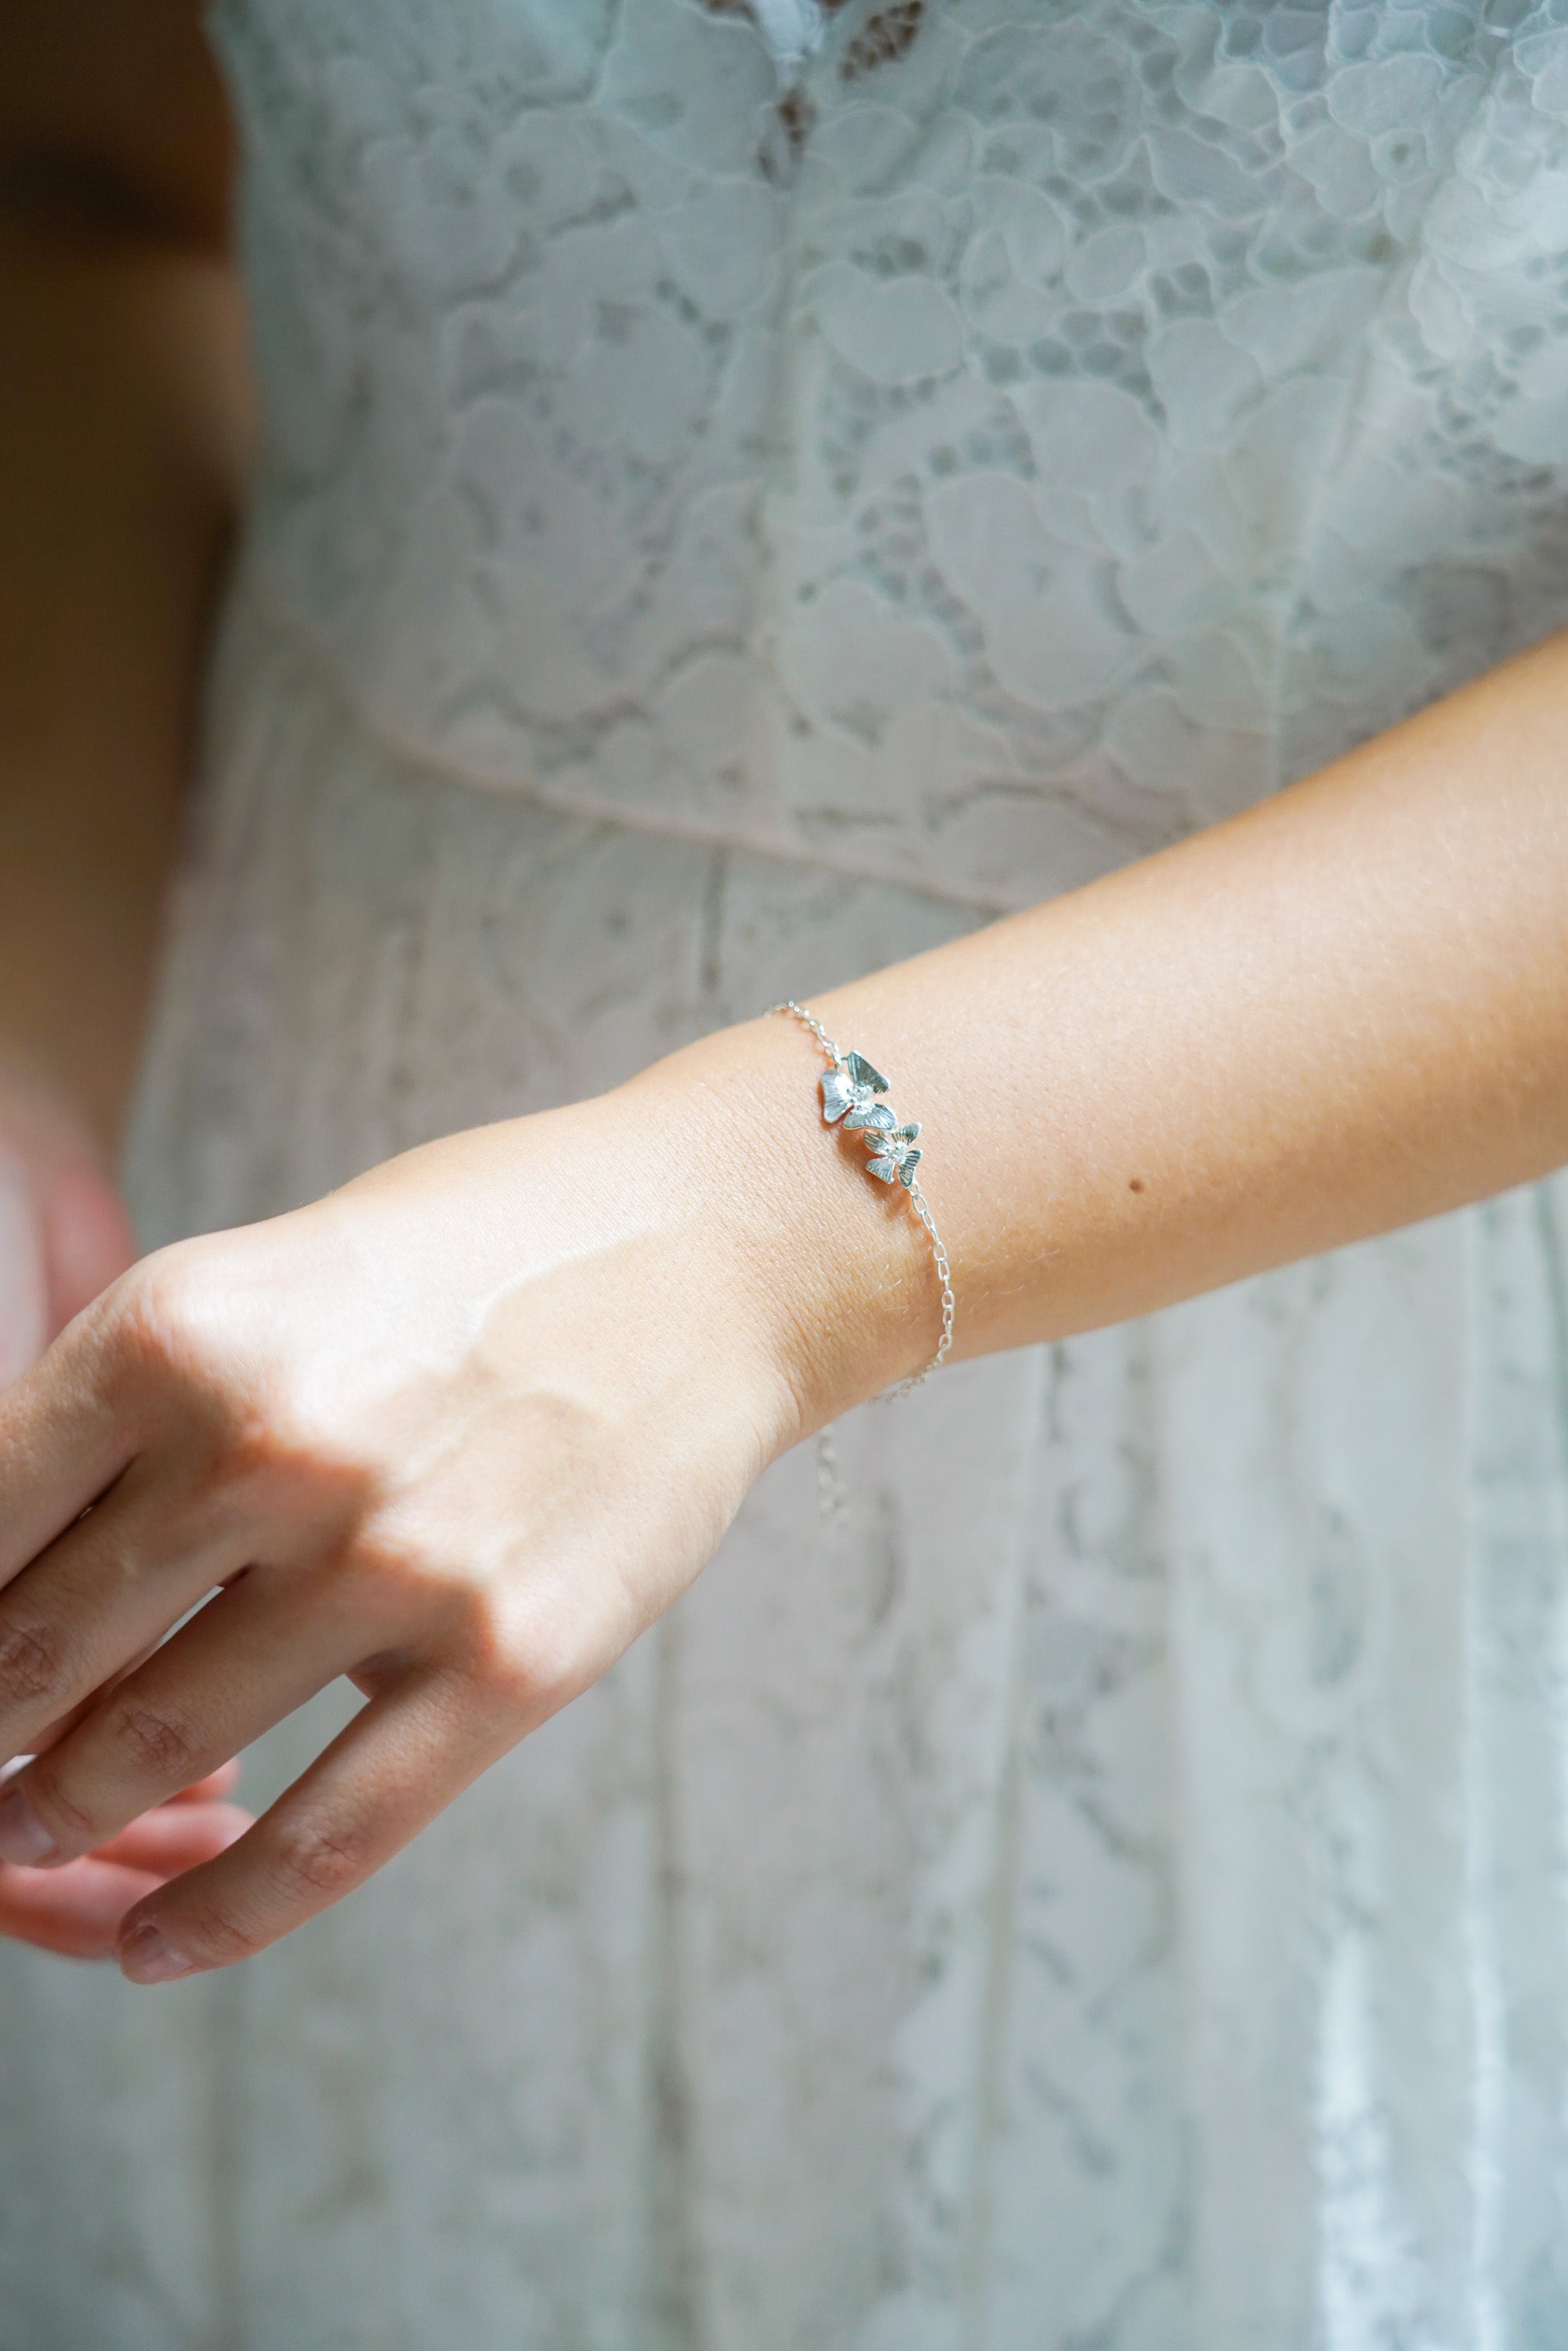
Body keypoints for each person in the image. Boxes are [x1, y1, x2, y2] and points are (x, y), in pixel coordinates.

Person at [2, 0, 1567, 2341]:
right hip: (286, 1286)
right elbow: (100, 207)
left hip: (1296, 1341)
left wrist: (745, 1231)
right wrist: (33, 1033)